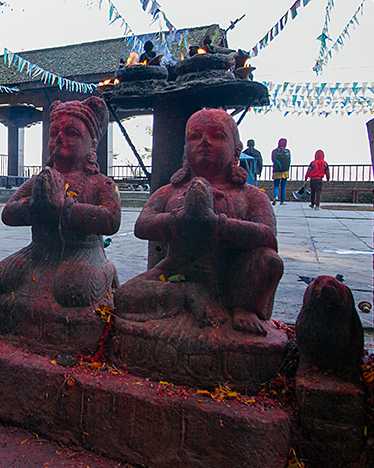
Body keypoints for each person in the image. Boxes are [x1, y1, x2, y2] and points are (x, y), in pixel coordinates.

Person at [114, 109, 282, 336]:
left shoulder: (250, 195)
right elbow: (142, 225)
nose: (204, 142)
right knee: (124, 296)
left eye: (217, 136)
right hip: (178, 270)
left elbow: (267, 235)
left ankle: (243, 308)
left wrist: (217, 225)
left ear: (235, 150)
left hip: (232, 274)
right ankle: (189, 293)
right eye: (195, 136)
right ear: (185, 151)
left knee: (268, 260)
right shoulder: (170, 191)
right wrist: (178, 220)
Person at [0, 97, 121, 308]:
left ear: (92, 143)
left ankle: (105, 270)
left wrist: (65, 209)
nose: (59, 138)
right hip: (39, 250)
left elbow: (111, 220)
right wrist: (34, 206)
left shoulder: (100, 183)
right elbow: (8, 213)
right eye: (53, 133)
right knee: (1, 279)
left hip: (82, 252)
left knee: (74, 290)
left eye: (71, 133)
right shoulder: (41, 181)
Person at [271, 138, 291, 205]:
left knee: (276, 185)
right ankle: (282, 201)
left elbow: (273, 160)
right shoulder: (287, 151)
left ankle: (275, 196)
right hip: (285, 171)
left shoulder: (274, 151)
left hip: (276, 171)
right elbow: (289, 161)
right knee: (283, 186)